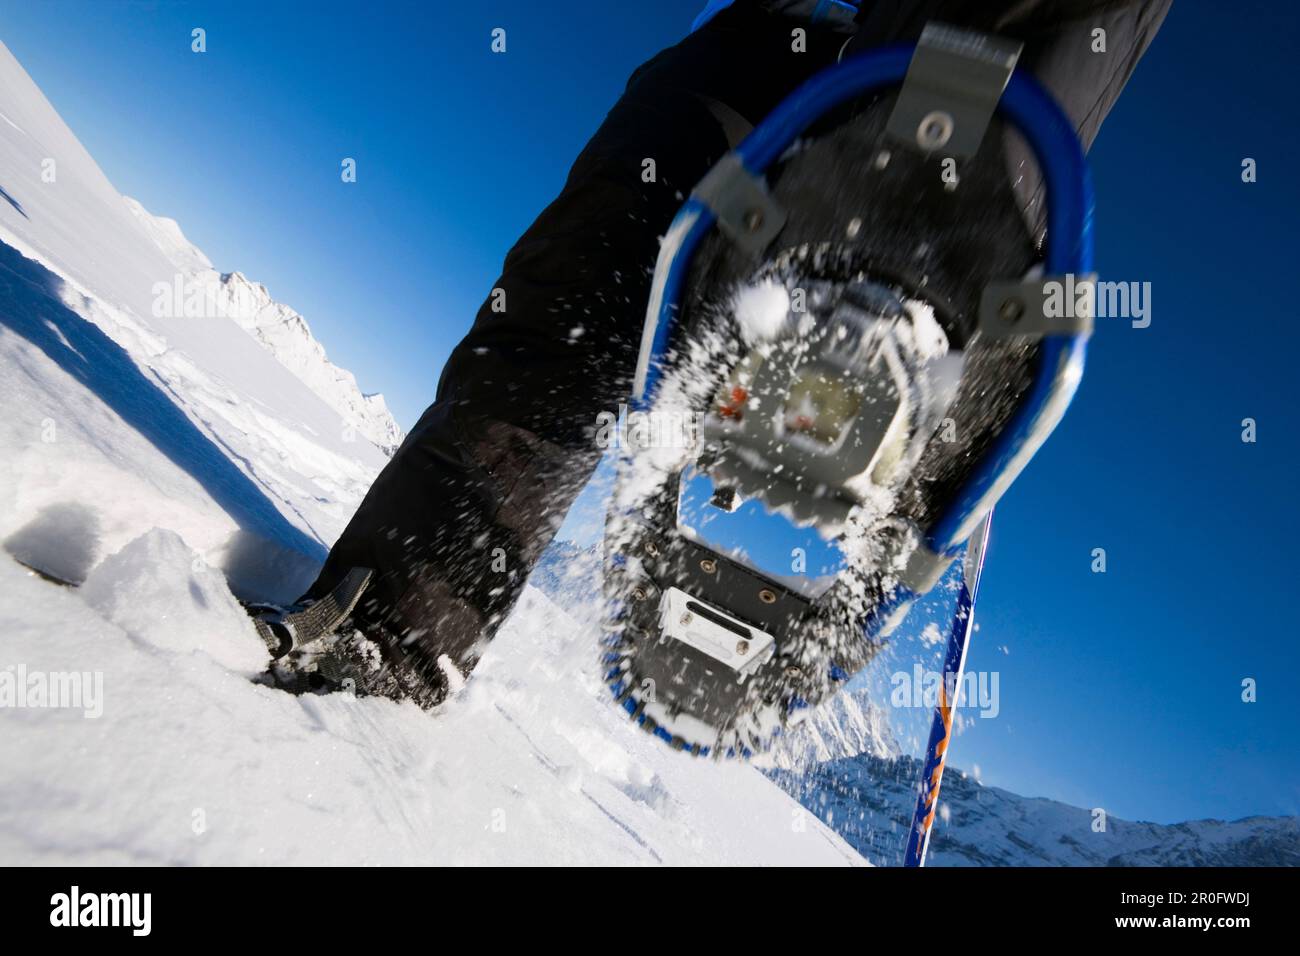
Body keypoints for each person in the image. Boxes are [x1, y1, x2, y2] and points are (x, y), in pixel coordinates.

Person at [256, 0, 1170, 704]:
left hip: (947, 101)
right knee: (583, 303)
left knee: (907, 222)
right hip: (759, 44)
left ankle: (917, 298)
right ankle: (387, 641)